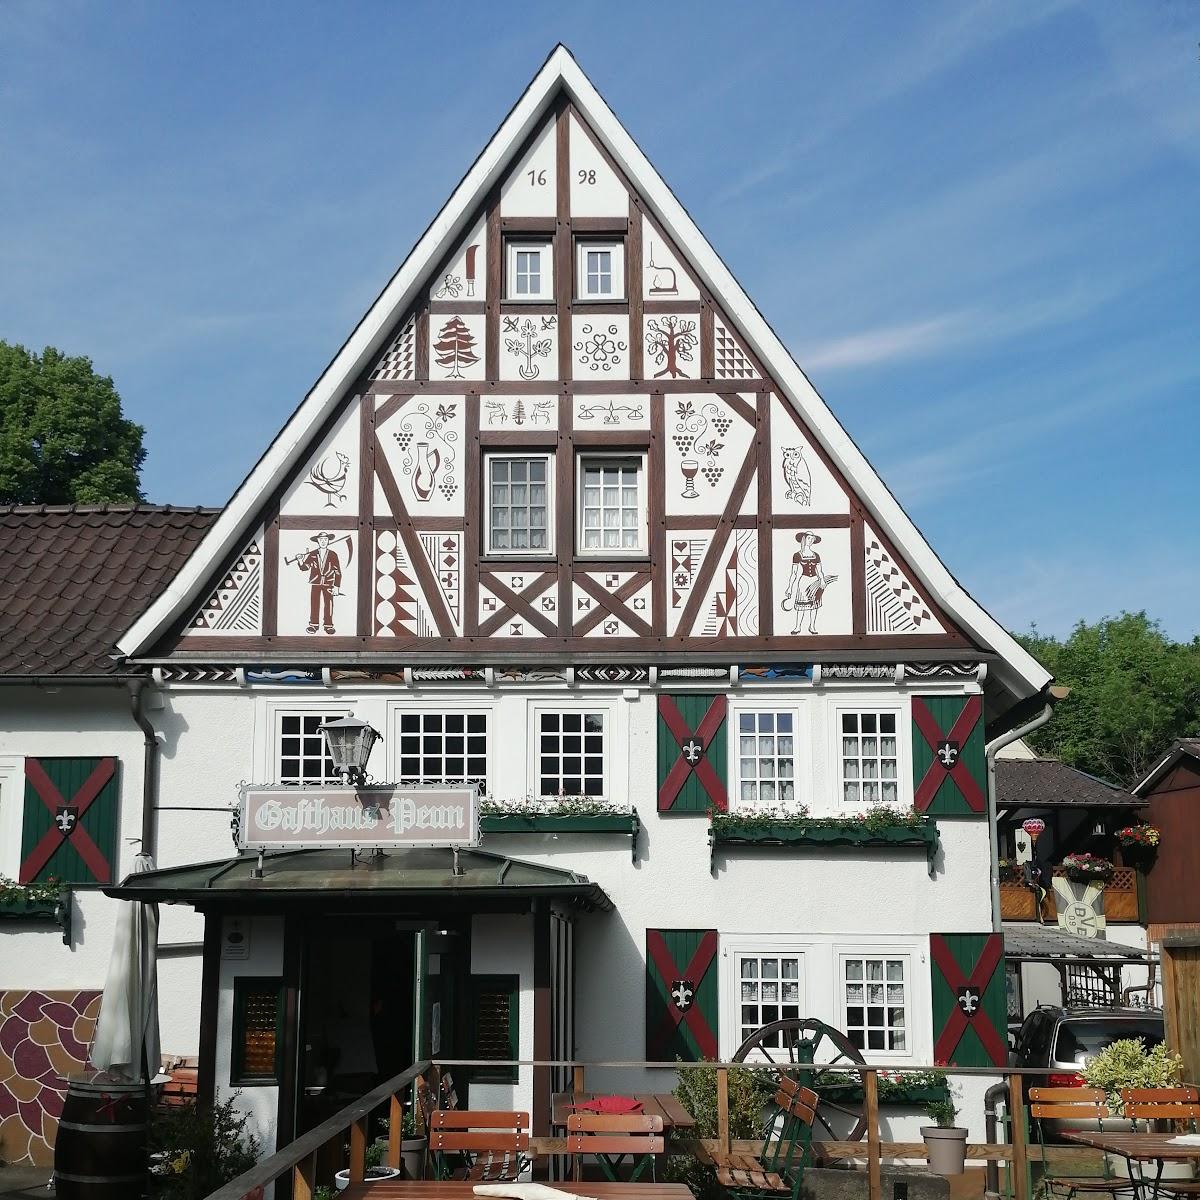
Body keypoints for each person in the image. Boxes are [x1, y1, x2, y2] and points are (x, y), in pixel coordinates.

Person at [782, 531, 837, 634]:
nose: (811, 540)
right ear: (804, 539)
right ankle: (797, 627)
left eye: (812, 539)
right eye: (809, 538)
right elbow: (793, 573)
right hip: (803, 582)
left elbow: (819, 571)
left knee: (814, 605)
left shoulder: (816, 555)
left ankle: (812, 626)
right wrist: (789, 587)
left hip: (815, 582)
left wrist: (822, 581)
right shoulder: (797, 555)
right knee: (801, 606)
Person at [296, 532, 341, 634]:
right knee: (314, 603)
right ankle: (314, 625)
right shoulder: (312, 554)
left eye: (325, 539)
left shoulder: (333, 554)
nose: (323, 542)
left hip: (328, 583)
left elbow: (337, 571)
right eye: (321, 540)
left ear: (328, 541)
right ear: (318, 541)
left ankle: (328, 625)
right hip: (315, 582)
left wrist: (336, 586)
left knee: (328, 604)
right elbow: (305, 568)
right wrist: (300, 561)